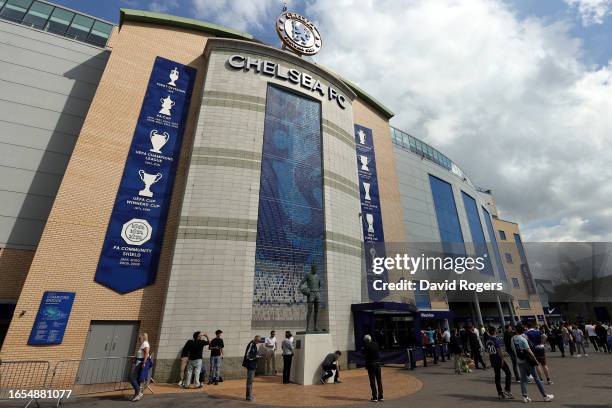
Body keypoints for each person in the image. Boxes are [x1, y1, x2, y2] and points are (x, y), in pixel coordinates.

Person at [512, 325, 554, 403]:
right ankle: (545, 396)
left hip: (519, 361)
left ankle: (524, 396)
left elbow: (513, 349)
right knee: (536, 378)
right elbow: (529, 351)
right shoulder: (523, 339)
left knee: (523, 379)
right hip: (527, 361)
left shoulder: (513, 338)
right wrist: (535, 360)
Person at [485, 327, 513, 399]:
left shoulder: (488, 340)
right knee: (508, 373)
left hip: (493, 359)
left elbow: (488, 350)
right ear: (494, 331)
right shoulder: (494, 339)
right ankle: (507, 389)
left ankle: (499, 393)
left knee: (497, 376)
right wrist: (502, 359)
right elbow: (498, 349)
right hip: (498, 359)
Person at [363, 334, 384, 401]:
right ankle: (381, 396)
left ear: (366, 340)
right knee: (379, 380)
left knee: (372, 381)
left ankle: (374, 396)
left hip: (371, 364)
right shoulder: (376, 344)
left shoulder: (366, 345)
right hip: (378, 364)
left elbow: (366, 356)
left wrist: (366, 366)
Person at [130, 333, 150, 402]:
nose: (139, 340)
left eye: (140, 338)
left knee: (132, 378)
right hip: (139, 362)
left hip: (141, 362)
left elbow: (146, 353)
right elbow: (141, 354)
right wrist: (135, 358)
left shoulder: (145, 344)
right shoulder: (143, 344)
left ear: (143, 338)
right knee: (137, 379)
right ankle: (136, 394)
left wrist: (144, 363)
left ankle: (139, 392)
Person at [243, 335, 261, 401]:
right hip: (250, 366)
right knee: (249, 381)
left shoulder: (254, 345)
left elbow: (253, 354)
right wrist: (255, 357)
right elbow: (247, 356)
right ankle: (248, 397)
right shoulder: (251, 345)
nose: (258, 342)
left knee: (251, 381)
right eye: (258, 341)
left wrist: (257, 355)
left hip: (253, 365)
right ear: (256, 339)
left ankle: (249, 395)